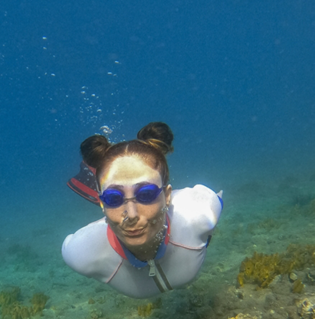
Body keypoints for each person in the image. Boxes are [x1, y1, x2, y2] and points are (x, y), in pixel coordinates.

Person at [62, 122, 223, 299]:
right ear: (101, 203)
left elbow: (215, 198)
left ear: (167, 196)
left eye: (146, 194)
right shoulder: (83, 254)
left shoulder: (198, 213)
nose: (131, 215)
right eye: (113, 198)